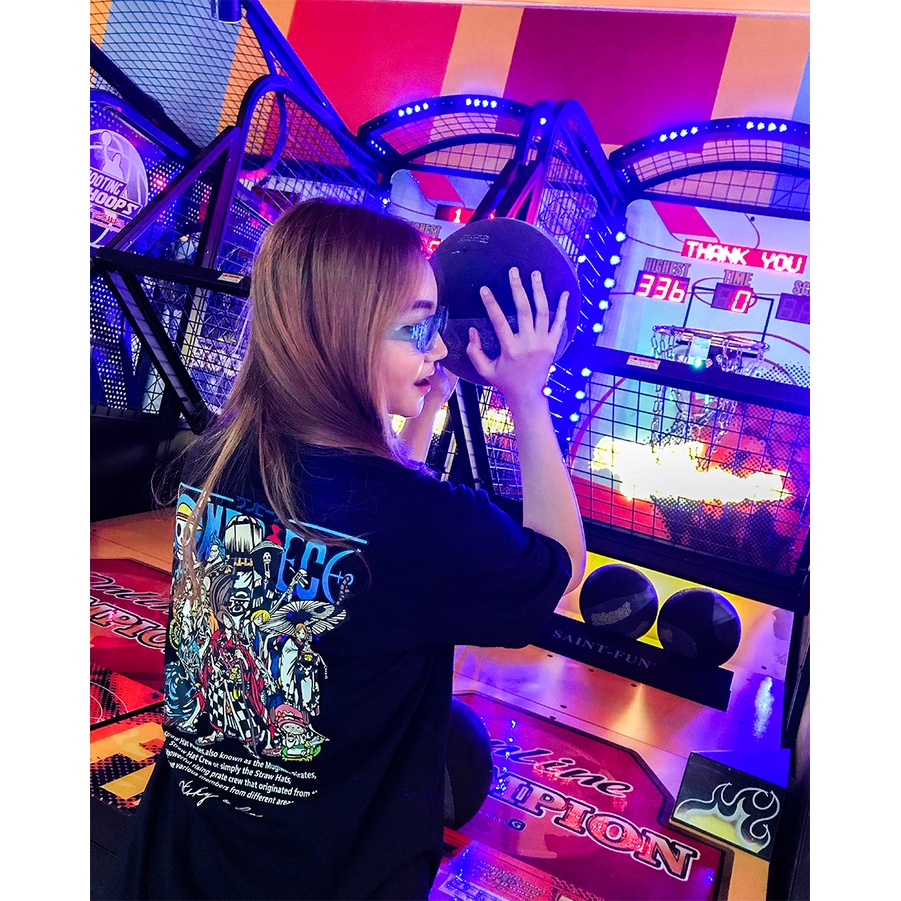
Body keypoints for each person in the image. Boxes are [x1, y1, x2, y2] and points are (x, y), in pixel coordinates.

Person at [112, 198, 586, 900]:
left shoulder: (223, 455)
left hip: (184, 856)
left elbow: (374, 510)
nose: (436, 347)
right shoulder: (420, 521)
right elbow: (559, 567)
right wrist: (528, 396)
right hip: (322, 874)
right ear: (347, 337)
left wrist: (426, 401)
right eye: (416, 326)